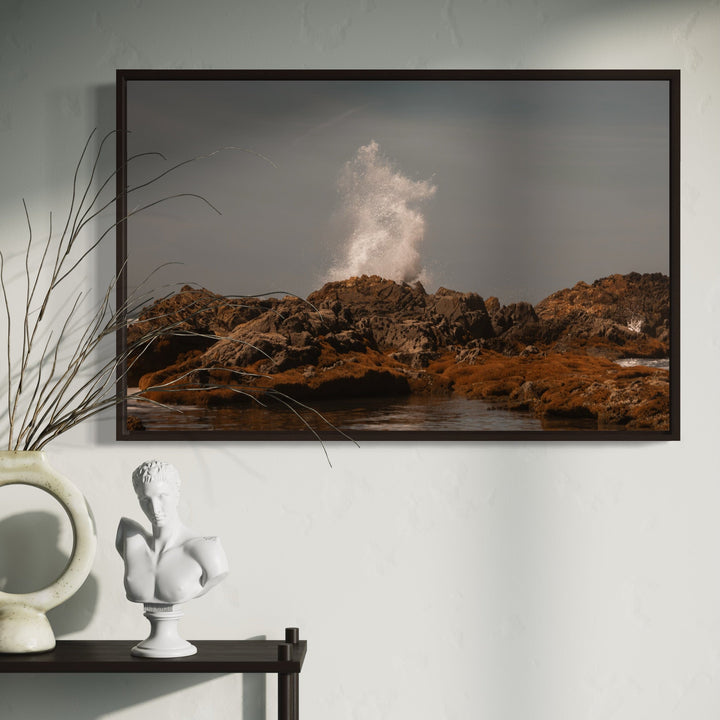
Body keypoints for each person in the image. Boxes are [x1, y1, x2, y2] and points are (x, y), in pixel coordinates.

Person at [115, 460, 228, 606]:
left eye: (162, 496)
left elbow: (217, 574)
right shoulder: (130, 539)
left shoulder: (206, 550)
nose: (155, 509)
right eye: (145, 499)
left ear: (177, 494)